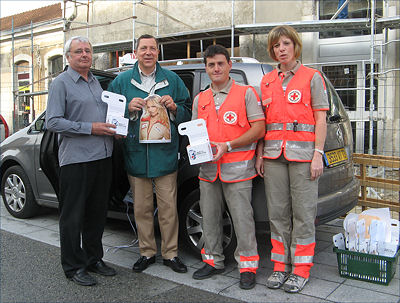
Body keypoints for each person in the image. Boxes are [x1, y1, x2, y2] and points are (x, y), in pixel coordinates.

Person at [108, 34, 191, 274]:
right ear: (136, 52)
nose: (148, 52)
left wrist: (175, 107)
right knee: (141, 208)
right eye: (143, 48)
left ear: (158, 52)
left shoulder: (172, 80)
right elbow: (110, 114)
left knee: (168, 208)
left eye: (152, 48)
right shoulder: (122, 81)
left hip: (165, 155)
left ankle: (171, 253)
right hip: (136, 154)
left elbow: (188, 111)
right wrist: (126, 109)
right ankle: (146, 252)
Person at [255, 25, 329, 293]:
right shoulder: (266, 81)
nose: (281, 49)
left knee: (303, 215)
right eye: (276, 46)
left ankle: (300, 269)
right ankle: (279, 266)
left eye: (286, 43)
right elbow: (264, 122)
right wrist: (260, 153)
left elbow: (321, 119)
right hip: (274, 156)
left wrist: (318, 155)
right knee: (277, 215)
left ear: (295, 46)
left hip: (303, 157)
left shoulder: (312, 77)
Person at [191, 45, 265, 290]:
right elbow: (196, 132)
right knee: (209, 218)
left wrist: (229, 144)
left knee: (243, 220)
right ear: (206, 68)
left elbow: (259, 129)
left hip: (238, 170)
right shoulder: (200, 99)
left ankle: (247, 267)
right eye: (211, 65)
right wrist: (196, 149)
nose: (216, 68)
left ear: (229, 65)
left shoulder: (246, 93)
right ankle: (212, 261)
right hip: (209, 171)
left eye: (220, 63)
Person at [46, 36, 117, 286]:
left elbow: (104, 114)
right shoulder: (60, 84)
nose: (84, 54)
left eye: (88, 51)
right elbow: (52, 122)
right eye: (78, 51)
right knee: (72, 216)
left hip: (103, 156)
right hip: (75, 160)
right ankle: (73, 266)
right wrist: (91, 128)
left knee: (97, 214)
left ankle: (93, 259)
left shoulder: (96, 81)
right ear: (68, 56)